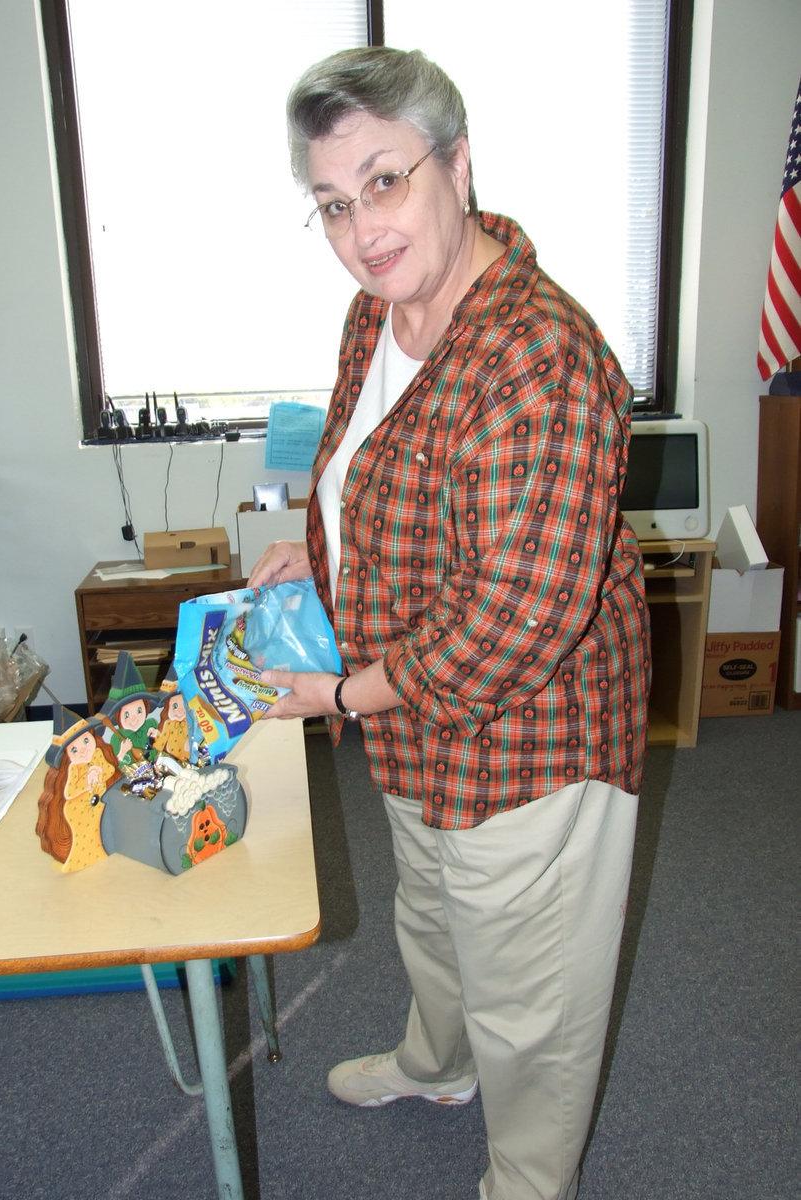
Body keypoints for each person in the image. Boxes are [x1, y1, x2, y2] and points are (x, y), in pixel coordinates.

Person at [248, 46, 650, 1200]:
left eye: (385, 180)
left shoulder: (542, 357)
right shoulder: (376, 316)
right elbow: (367, 474)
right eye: (333, 203)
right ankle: (439, 1066)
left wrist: (336, 694)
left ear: (457, 166)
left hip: (534, 733)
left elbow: (512, 624)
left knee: (531, 984)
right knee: (431, 910)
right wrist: (321, 553)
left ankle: (529, 1180)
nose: (362, 227)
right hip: (412, 708)